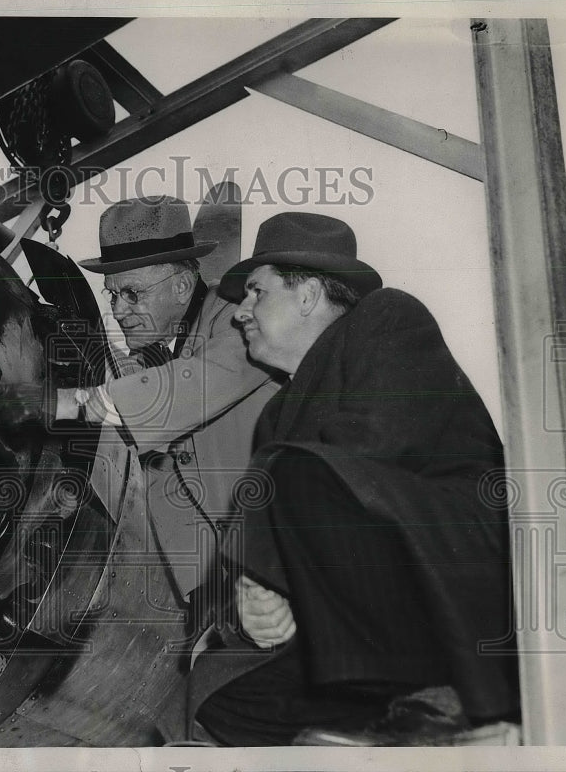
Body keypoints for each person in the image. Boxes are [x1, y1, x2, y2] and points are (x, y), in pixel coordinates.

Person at [170, 212, 519, 746]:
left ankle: (445, 704)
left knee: (286, 471)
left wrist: (272, 573)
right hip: (364, 624)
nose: (239, 313)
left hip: (452, 578)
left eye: (256, 293)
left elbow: (374, 453)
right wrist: (255, 602)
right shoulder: (276, 415)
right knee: (218, 698)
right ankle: (382, 724)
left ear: (308, 294)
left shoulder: (388, 318)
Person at [0, 195, 280, 604]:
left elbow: (187, 389)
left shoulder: (240, 322)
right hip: (221, 585)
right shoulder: (159, 354)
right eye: (112, 295)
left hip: (282, 564)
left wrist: (61, 402)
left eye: (132, 294)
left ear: (182, 286)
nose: (119, 311)